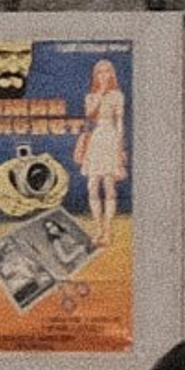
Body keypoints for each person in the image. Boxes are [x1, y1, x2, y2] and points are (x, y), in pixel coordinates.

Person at [72, 57, 127, 247]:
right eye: (100, 72)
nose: (104, 75)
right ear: (96, 76)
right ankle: (98, 229)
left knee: (109, 186)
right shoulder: (90, 96)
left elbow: (119, 123)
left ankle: (108, 231)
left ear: (112, 74)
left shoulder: (118, 96)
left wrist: (120, 148)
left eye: (107, 71)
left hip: (110, 138)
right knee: (92, 185)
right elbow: (89, 116)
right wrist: (100, 93)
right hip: (95, 139)